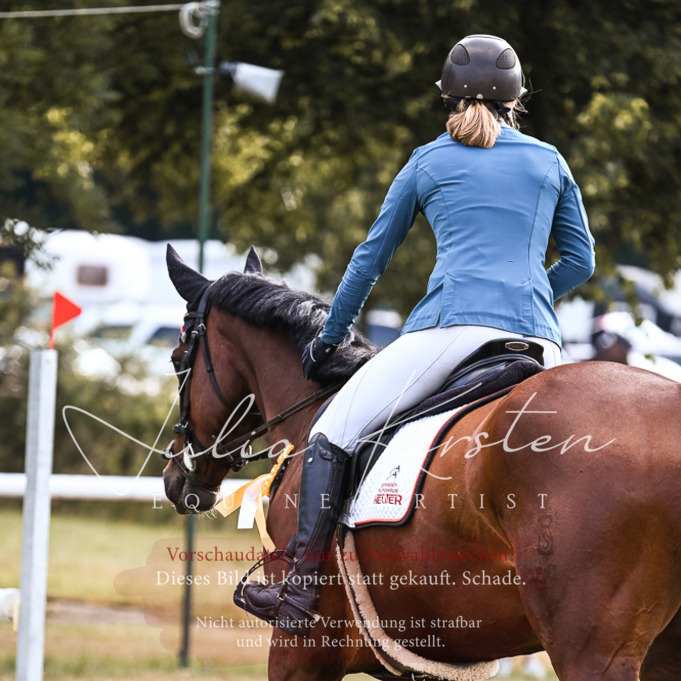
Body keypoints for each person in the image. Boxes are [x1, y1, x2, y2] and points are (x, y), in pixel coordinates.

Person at [236, 33, 596, 637]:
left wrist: (330, 338)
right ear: (515, 99)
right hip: (539, 342)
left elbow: (369, 260)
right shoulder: (549, 160)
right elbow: (581, 261)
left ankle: (299, 590)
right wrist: (530, 298)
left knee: (330, 432)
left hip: (450, 331)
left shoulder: (429, 160)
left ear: (448, 97)